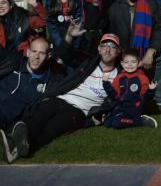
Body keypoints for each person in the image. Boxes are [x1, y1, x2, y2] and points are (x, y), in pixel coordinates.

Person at [6, 31, 121, 162]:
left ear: (118, 52)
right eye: (105, 46)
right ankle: (21, 139)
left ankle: (22, 147)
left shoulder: (120, 76)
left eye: (112, 47)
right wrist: (70, 36)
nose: (108, 50)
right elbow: (66, 54)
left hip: (80, 110)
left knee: (54, 127)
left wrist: (101, 115)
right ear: (99, 49)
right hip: (62, 98)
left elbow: (122, 97)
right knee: (40, 113)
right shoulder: (88, 62)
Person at [105, 0, 161, 102]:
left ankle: (156, 94)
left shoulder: (151, 3)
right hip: (120, 51)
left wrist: (151, 51)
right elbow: (100, 25)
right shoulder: (113, 1)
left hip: (143, 51)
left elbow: (160, 30)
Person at [102, 50, 158, 129]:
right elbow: (114, 96)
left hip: (134, 108)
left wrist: (151, 90)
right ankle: (121, 117)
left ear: (139, 63)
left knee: (116, 123)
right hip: (120, 107)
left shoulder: (142, 78)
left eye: (133, 62)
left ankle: (140, 121)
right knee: (107, 123)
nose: (130, 65)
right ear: (122, 64)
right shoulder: (119, 78)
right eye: (126, 62)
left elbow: (145, 98)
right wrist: (106, 83)